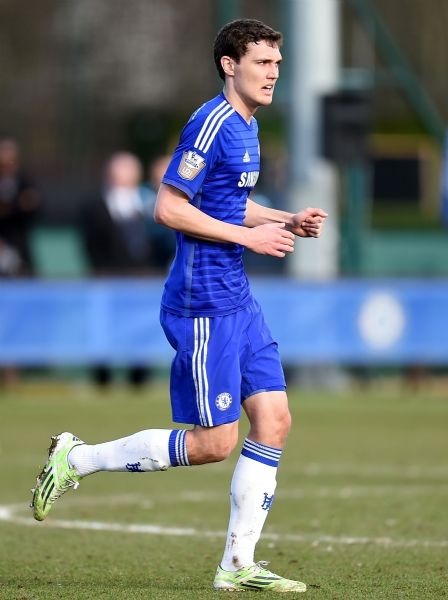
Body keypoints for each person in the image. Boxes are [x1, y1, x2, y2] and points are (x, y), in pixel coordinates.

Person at [31, 19, 327, 593]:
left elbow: (228, 204)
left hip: (238, 297)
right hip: (203, 302)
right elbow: (168, 208)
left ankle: (238, 565)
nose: (273, 74)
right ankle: (77, 459)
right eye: (262, 63)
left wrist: (284, 219)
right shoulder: (210, 123)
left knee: (275, 420)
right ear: (229, 65)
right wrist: (250, 239)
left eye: (277, 64)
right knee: (215, 443)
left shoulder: (249, 125)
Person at [81, 151, 152, 387]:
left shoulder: (148, 204)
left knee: (138, 327)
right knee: (103, 329)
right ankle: (102, 378)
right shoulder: (94, 207)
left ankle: (138, 378)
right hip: (107, 280)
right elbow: (91, 244)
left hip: (139, 281)